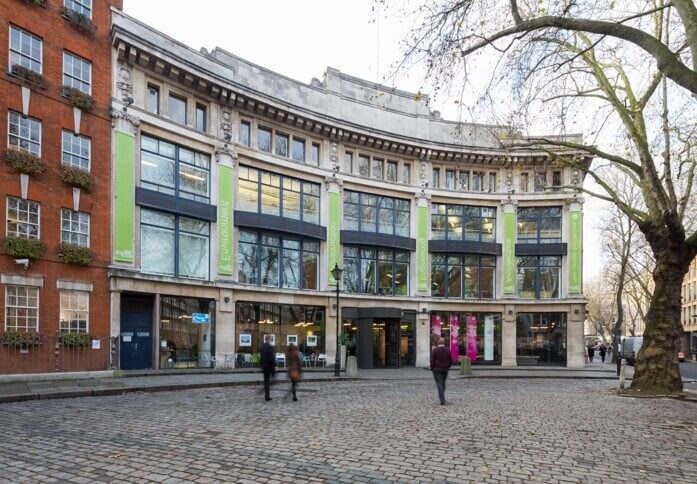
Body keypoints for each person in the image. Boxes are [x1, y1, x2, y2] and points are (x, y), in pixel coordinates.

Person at [430, 337, 452, 406]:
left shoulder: (435, 350)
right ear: (444, 343)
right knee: (443, 383)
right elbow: (451, 360)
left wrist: (432, 368)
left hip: (436, 369)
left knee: (439, 384)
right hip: (445, 369)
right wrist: (448, 366)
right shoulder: (447, 350)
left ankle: (442, 399)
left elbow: (432, 360)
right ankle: (442, 397)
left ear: (438, 343)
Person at [259, 334, 276, 401]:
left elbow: (261, 356)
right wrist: (275, 365)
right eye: (270, 339)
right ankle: (267, 395)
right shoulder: (270, 347)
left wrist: (261, 365)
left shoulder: (262, 346)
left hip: (264, 366)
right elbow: (272, 357)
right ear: (269, 339)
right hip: (270, 365)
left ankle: (267, 395)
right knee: (272, 379)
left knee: (266, 380)